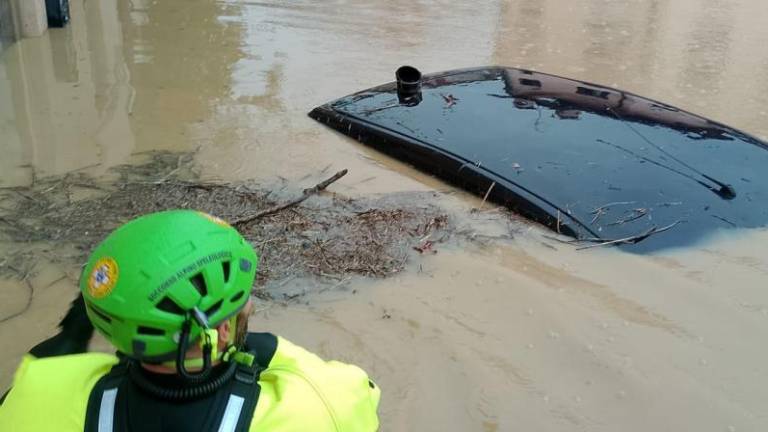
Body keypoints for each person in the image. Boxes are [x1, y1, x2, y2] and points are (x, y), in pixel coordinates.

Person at [0, 210, 380, 431]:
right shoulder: (314, 407)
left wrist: (71, 338)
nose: (249, 306)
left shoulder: (35, 391)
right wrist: (264, 349)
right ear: (223, 328)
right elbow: (364, 392)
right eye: (243, 301)